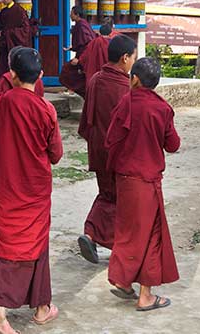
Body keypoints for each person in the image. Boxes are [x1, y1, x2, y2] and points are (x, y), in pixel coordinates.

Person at [0, 47, 62, 334]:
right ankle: (35, 309)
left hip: (4, 186)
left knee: (1, 245)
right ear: (40, 76)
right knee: (36, 244)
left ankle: (10, 310)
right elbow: (56, 154)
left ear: (11, 74)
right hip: (34, 189)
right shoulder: (46, 109)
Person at [104, 57, 180, 312]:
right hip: (147, 181)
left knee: (127, 231)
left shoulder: (125, 102)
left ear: (134, 79)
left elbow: (111, 139)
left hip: (124, 178)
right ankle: (145, 296)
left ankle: (124, 281)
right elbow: (173, 144)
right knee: (150, 236)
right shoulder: (162, 108)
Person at [76, 35, 137, 264]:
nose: (133, 62)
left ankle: (91, 234)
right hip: (118, 154)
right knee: (120, 199)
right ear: (124, 58)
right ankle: (115, 243)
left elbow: (86, 121)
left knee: (106, 194)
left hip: (98, 149)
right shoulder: (125, 88)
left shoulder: (95, 80)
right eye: (133, 57)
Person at [60, 6, 98, 96]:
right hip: (82, 55)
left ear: (77, 15)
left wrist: (80, 59)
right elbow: (81, 42)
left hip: (84, 56)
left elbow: (88, 43)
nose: (70, 15)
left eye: (71, 14)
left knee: (67, 70)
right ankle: (77, 90)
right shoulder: (80, 24)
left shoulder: (82, 25)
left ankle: (77, 90)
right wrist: (72, 48)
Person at [78, 22, 114, 87]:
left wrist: (81, 65)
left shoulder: (93, 42)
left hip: (93, 74)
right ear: (110, 33)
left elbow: (84, 57)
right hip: (108, 74)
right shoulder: (112, 43)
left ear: (100, 32)